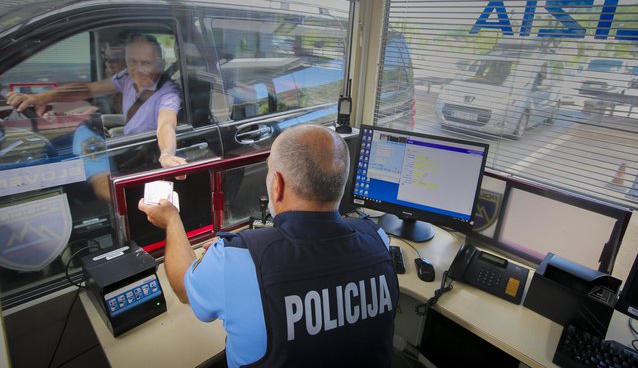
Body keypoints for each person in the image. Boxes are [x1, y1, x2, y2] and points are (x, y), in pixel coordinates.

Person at [138, 124, 399, 367]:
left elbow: (185, 288)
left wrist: (172, 222)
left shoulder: (235, 260)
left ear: (278, 185)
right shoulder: (378, 239)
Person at [7, 33, 185, 169]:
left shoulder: (168, 94)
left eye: (145, 63)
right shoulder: (126, 78)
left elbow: (166, 125)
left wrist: (167, 154)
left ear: (160, 64)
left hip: (140, 154)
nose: (137, 70)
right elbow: (88, 89)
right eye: (132, 62)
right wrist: (40, 97)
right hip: (126, 142)